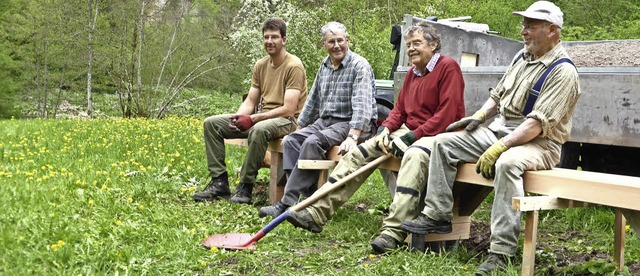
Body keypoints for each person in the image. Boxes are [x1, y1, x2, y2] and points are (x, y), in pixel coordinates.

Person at [400, 1, 581, 274]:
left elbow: (536, 125)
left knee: (507, 164)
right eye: (524, 25)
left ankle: (501, 252)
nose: (523, 31)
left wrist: (500, 147)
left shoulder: (563, 71)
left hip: (540, 142)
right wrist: (479, 117)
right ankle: (437, 215)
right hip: (500, 130)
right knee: (443, 143)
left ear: (553, 30)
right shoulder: (522, 57)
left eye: (530, 26)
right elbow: (498, 96)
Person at [284, 23, 466, 254]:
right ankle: (317, 212)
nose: (411, 49)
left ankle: (393, 231)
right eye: (408, 45)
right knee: (357, 154)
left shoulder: (448, 68)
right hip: (410, 132)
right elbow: (399, 110)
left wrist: (411, 137)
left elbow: (447, 114)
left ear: (433, 44)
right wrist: (386, 130)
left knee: (413, 158)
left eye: (417, 44)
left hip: (440, 135)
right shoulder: (412, 73)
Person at [258, 21, 378, 218]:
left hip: (353, 123)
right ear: (324, 44)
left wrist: (353, 137)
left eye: (340, 40)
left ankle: (287, 203)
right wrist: (300, 128)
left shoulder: (359, 66)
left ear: (347, 41)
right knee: (292, 141)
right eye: (332, 41)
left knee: (313, 142)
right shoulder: (325, 65)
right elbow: (313, 100)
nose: (337, 45)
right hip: (327, 120)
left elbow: (363, 106)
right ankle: (309, 198)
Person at [193, 18, 307, 204]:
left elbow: (289, 109)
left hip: (288, 121)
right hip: (263, 119)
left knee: (259, 129)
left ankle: (245, 187)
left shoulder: (293, 66)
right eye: (266, 37)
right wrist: (238, 117)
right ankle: (219, 182)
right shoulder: (261, 65)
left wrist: (253, 119)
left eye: (274, 37)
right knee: (211, 123)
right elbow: (251, 100)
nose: (269, 41)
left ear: (284, 40)